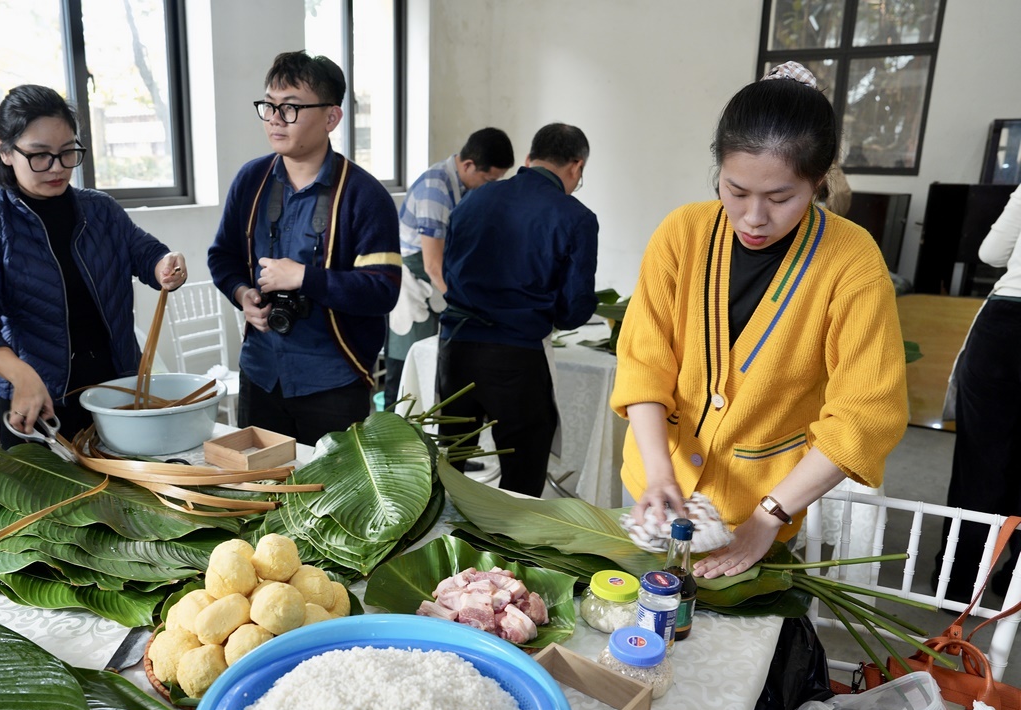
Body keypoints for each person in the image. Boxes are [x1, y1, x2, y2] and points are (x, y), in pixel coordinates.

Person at [612, 62, 909, 579]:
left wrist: (769, 515)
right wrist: (659, 474)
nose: (753, 217)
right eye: (735, 190)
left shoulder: (851, 261)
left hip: (764, 505)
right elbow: (643, 363)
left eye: (780, 198)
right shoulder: (681, 234)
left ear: (818, 182)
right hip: (656, 490)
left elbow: (864, 414)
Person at [0, 84, 187, 448]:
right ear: (6, 151)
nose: (58, 168)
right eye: (39, 155)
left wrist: (163, 265)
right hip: (40, 401)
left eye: (67, 152)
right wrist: (21, 375)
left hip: (115, 393)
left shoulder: (99, 210)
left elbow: (144, 252)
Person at [207, 51, 401, 446]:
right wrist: (243, 294)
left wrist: (305, 278)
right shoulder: (251, 180)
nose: (276, 119)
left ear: (331, 117)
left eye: (291, 108)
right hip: (261, 373)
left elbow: (383, 290)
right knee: (261, 491)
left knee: (329, 499)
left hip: (334, 379)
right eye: (269, 106)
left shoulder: (365, 196)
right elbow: (222, 255)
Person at [436, 123, 598, 497]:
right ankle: (506, 552)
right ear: (576, 166)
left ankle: (441, 543)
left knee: (449, 463)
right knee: (521, 476)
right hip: (516, 359)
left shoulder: (473, 199)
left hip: (455, 348)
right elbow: (574, 309)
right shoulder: (576, 217)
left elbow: (450, 272)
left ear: (529, 158)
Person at [384, 128, 515, 406]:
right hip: (413, 283)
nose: (490, 186)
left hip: (436, 281)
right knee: (407, 368)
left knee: (434, 368)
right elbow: (432, 264)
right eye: (489, 179)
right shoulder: (436, 188)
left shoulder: (465, 186)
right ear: (468, 165)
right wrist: (465, 305)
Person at [935, 182, 1021, 601]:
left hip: (1006, 327)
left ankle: (958, 580)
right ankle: (1013, 585)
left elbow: (990, 254)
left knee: (979, 462)